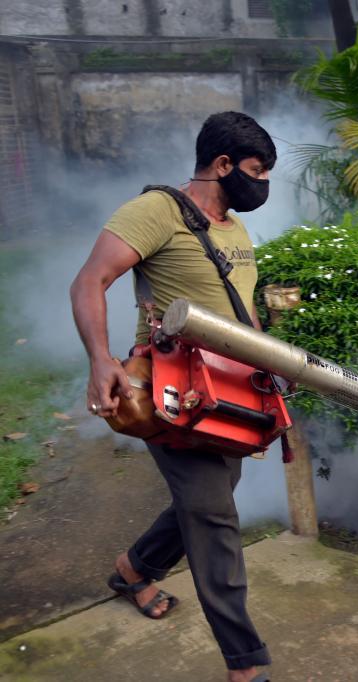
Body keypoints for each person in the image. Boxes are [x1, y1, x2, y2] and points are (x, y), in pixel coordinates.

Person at [70, 111, 276, 682]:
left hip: (229, 393)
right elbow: (89, 281)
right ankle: (246, 663)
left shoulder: (234, 230)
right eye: (258, 171)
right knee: (213, 515)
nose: (263, 184)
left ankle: (134, 569)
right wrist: (101, 360)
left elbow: (242, 309)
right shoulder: (157, 211)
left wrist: (268, 369)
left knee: (210, 495)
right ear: (223, 164)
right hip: (172, 392)